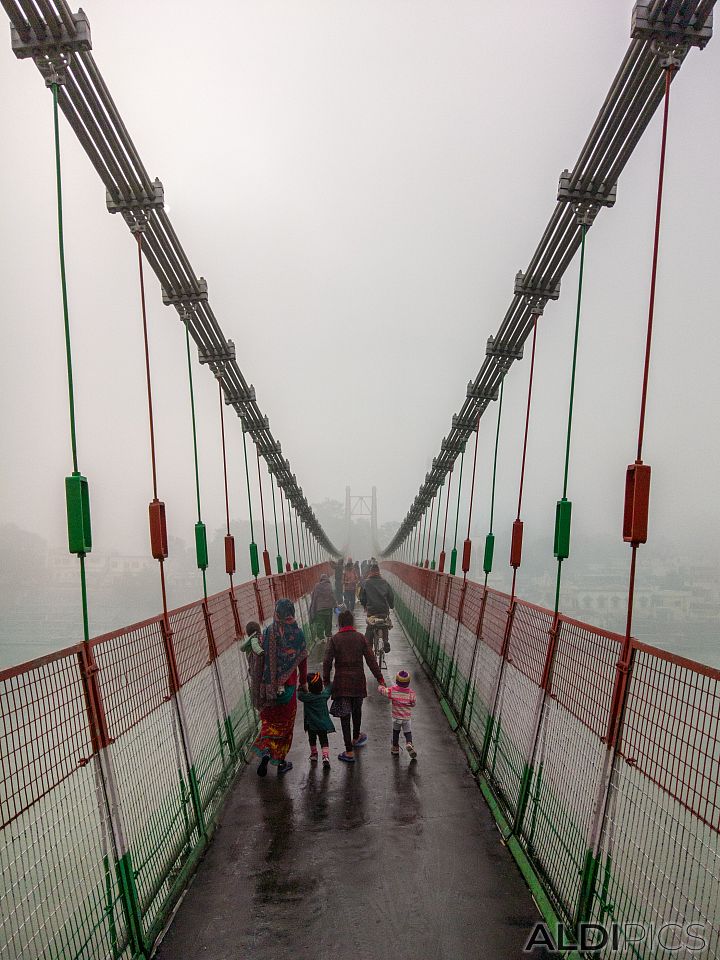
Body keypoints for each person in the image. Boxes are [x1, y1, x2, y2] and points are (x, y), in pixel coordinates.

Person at [249, 599, 307, 777]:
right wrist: (303, 683)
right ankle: (280, 762)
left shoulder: (267, 633)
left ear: (277, 613)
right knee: (285, 726)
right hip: (288, 689)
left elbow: (259, 658)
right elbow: (303, 660)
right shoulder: (298, 634)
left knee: (269, 722)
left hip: (268, 690)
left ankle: (266, 750)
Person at [323, 609, 385, 763]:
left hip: (342, 684)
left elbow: (327, 662)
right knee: (357, 711)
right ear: (352, 623)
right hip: (358, 682)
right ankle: (356, 737)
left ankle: (349, 751)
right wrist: (380, 678)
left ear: (340, 623)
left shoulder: (335, 639)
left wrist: (326, 682)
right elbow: (371, 659)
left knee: (345, 716)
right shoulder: (360, 638)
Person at [298, 672, 334, 767]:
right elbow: (329, 688)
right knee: (324, 740)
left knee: (312, 739)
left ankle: (314, 754)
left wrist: (301, 686)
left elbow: (299, 695)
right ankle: (325, 756)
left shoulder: (306, 697)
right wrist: (330, 682)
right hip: (322, 724)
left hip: (311, 724)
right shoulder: (323, 696)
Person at [378, 670, 417, 759]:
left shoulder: (393, 691)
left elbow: (383, 691)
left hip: (396, 717)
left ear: (397, 681)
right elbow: (413, 703)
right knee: (408, 732)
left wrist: (380, 686)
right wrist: (410, 704)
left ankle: (395, 748)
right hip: (406, 718)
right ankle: (409, 743)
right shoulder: (411, 693)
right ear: (408, 682)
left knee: (396, 732)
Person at [359, 561, 394, 652]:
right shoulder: (385, 582)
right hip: (383, 610)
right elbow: (391, 596)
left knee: (370, 627)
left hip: (372, 611)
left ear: (370, 572)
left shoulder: (366, 583)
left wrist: (364, 606)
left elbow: (362, 597)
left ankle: (368, 646)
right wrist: (391, 605)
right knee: (385, 624)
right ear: (379, 572)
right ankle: (385, 641)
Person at [308, 573, 335, 641]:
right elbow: (332, 596)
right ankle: (328, 635)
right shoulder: (329, 585)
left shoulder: (317, 586)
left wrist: (312, 609)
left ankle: (321, 638)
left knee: (320, 623)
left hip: (319, 609)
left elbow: (314, 597)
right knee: (328, 622)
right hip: (328, 608)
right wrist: (335, 605)